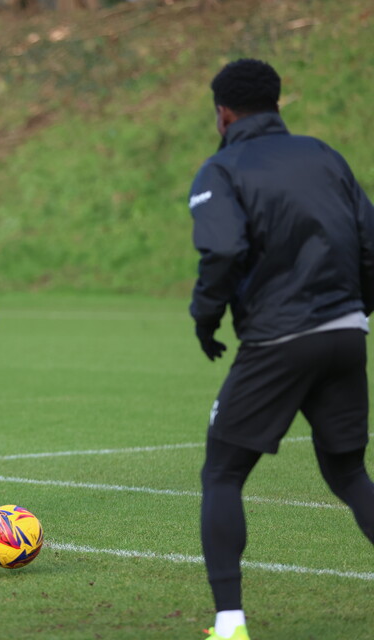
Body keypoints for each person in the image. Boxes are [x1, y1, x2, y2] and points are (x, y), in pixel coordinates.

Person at [189, 59, 374, 640]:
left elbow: (220, 252)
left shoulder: (221, 168)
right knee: (347, 470)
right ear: (278, 103)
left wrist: (205, 318)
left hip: (279, 337)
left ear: (222, 113)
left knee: (222, 470)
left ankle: (229, 622)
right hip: (347, 332)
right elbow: (369, 240)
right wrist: (354, 312)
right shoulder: (325, 156)